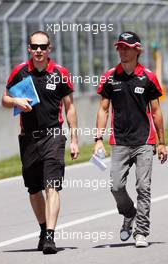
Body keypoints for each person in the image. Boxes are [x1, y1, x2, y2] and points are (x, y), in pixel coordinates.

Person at [2, 31, 79, 254]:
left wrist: (74, 139)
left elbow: (70, 106)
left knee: (52, 186)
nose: (39, 51)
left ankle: (50, 238)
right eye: (35, 47)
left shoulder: (59, 73)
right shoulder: (20, 71)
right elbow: (4, 99)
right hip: (28, 139)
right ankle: (44, 229)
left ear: (49, 49)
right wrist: (15, 100)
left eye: (43, 47)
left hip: (53, 135)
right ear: (29, 48)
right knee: (34, 190)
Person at [94, 31, 167, 247]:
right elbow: (103, 109)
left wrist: (162, 142)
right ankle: (129, 213)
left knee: (144, 187)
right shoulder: (109, 76)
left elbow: (156, 111)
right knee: (116, 186)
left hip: (145, 141)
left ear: (137, 50)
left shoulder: (148, 77)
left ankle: (141, 232)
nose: (122, 51)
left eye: (126, 47)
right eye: (119, 47)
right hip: (119, 141)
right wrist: (98, 139)